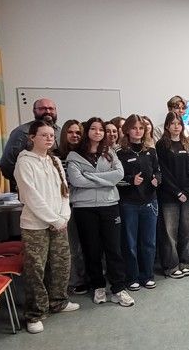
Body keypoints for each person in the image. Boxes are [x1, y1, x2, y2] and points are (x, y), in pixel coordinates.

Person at [14, 120, 79, 334]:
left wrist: (64, 216)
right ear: (32, 137)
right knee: (36, 269)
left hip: (59, 221)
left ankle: (58, 301)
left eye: (51, 135)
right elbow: (31, 197)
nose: (49, 138)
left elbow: (64, 191)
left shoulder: (55, 161)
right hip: (35, 226)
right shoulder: (25, 162)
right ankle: (35, 313)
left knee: (61, 264)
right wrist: (54, 220)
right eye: (44, 135)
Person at [66, 117, 135, 307]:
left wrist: (90, 176)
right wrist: (105, 179)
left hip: (109, 204)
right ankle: (98, 286)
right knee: (91, 249)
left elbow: (119, 175)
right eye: (93, 129)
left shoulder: (110, 152)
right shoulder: (74, 155)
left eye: (101, 129)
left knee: (114, 248)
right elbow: (76, 180)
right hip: (84, 207)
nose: (98, 132)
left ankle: (118, 288)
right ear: (86, 131)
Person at [116, 114, 161, 291]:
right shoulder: (120, 153)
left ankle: (147, 275)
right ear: (127, 130)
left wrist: (157, 179)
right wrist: (130, 180)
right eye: (134, 128)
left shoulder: (150, 151)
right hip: (129, 203)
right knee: (130, 243)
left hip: (150, 202)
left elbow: (157, 171)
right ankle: (132, 277)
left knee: (149, 242)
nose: (138, 131)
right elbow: (116, 179)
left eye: (141, 128)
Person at [156, 112, 189, 278]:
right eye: (172, 123)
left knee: (187, 230)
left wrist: (187, 191)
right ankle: (171, 266)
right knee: (170, 232)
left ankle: (184, 261)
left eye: (179, 123)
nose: (176, 126)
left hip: (188, 196)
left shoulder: (188, 143)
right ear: (167, 126)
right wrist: (177, 192)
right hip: (170, 196)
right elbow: (163, 172)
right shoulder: (162, 145)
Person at [55, 120, 88, 295]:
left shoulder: (86, 154)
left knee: (87, 244)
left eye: (78, 133)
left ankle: (88, 276)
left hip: (84, 202)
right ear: (64, 134)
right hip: (65, 205)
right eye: (71, 132)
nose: (75, 136)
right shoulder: (55, 155)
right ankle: (75, 280)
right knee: (72, 246)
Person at [1, 98, 61, 187]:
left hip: (54, 184)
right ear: (34, 111)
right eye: (42, 108)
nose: (48, 111)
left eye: (51, 108)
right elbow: (7, 164)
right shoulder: (22, 132)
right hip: (28, 184)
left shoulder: (59, 131)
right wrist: (23, 181)